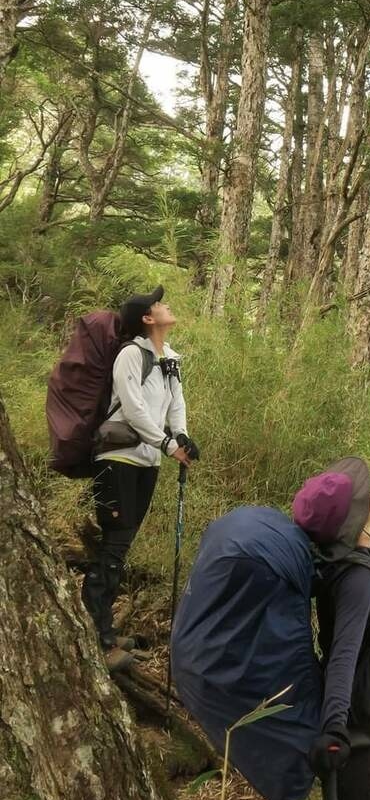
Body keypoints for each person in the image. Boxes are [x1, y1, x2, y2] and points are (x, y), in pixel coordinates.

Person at [81, 285, 197, 671]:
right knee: (114, 547)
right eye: (158, 303)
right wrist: (167, 444)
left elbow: (175, 404)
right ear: (147, 318)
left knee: (122, 543)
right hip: (117, 458)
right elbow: (132, 408)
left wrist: (181, 437)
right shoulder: (130, 354)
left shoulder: (170, 359)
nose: (165, 305)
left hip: (147, 461)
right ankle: (97, 636)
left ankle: (105, 629)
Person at [292, 457, 370, 800]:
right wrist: (335, 730)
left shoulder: (348, 564)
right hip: (358, 745)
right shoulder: (356, 578)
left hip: (365, 731)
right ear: (355, 521)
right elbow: (342, 655)